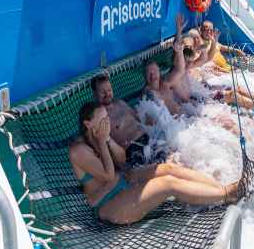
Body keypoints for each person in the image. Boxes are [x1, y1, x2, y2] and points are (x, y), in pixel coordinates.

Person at [69, 103, 239, 224]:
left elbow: (122, 159)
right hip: (108, 204)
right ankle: (227, 194)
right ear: (88, 124)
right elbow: (108, 175)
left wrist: (107, 139)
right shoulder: (78, 150)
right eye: (103, 120)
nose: (107, 123)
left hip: (123, 182)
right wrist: (101, 141)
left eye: (107, 118)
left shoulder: (102, 134)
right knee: (167, 185)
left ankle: (220, 188)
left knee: (168, 169)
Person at [90, 73, 166, 166]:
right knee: (162, 168)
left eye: (109, 90)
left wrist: (148, 119)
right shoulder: (99, 116)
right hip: (133, 149)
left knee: (174, 159)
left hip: (149, 138)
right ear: (94, 94)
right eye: (103, 92)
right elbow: (101, 144)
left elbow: (139, 118)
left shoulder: (120, 103)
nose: (107, 94)